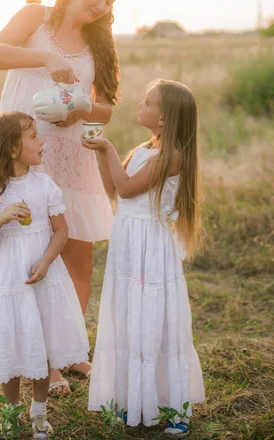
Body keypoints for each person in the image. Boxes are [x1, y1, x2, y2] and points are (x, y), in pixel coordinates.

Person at [0, 0, 122, 393]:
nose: (101, 5)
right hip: (25, 155)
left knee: (79, 260)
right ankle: (44, 361)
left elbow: (107, 109)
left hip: (73, 158)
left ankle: (70, 352)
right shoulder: (34, 17)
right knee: (35, 258)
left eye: (110, 1)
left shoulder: (100, 43)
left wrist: (80, 107)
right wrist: (44, 56)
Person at [83, 79, 205, 436]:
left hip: (150, 246)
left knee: (154, 319)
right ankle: (135, 400)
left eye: (147, 102)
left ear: (164, 117)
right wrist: (99, 153)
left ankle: (173, 406)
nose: (140, 105)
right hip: (128, 244)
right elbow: (114, 191)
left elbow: (126, 187)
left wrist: (106, 147)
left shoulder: (171, 157)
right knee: (129, 315)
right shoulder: (144, 149)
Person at [0, 112, 89, 439]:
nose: (42, 141)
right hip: (6, 278)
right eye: (33, 137)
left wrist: (47, 261)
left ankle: (39, 412)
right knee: (9, 336)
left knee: (41, 338)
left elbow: (61, 231)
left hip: (40, 274)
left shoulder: (43, 184)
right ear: (11, 149)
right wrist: (1, 218)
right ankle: (11, 411)